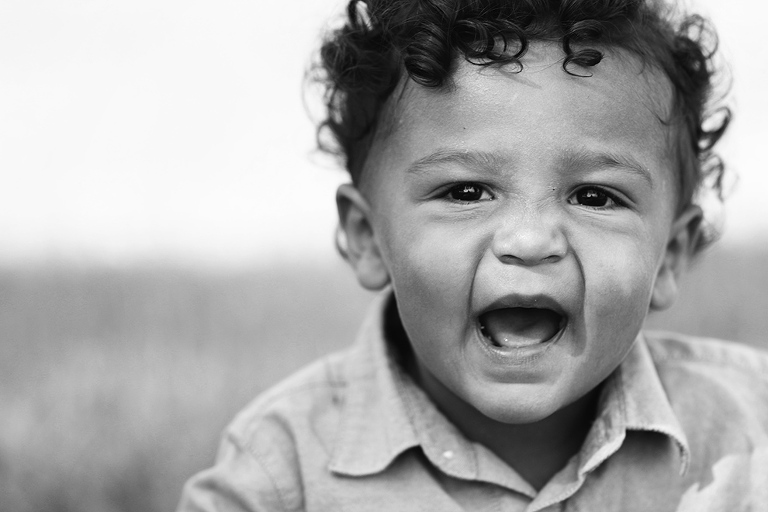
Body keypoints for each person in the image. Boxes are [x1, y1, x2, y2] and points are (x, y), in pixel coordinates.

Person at [177, 0, 768, 510]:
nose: (530, 241)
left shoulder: (752, 431)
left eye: (594, 197)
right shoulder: (279, 476)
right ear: (367, 237)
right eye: (465, 192)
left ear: (670, 254)